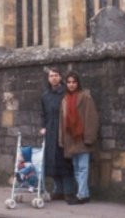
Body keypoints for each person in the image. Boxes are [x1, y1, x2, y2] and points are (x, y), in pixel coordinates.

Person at [59, 70, 99, 205]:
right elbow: (62, 121)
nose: (71, 85)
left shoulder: (85, 97)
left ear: (78, 83)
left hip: (82, 138)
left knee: (83, 168)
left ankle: (81, 195)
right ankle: (84, 194)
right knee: (76, 168)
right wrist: (62, 139)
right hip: (70, 139)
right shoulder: (65, 99)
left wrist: (89, 138)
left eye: (74, 82)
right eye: (69, 82)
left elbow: (91, 118)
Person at [40, 66, 75, 200]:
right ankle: (58, 190)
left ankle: (68, 191)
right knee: (52, 161)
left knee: (65, 161)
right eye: (51, 76)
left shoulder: (66, 93)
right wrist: (43, 126)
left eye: (56, 75)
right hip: (50, 130)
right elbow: (42, 113)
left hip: (63, 130)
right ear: (48, 79)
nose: (53, 78)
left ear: (60, 77)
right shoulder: (45, 95)